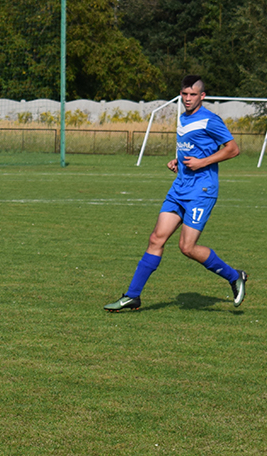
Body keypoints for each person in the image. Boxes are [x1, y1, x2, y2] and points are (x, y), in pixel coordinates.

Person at [104, 75, 247, 312]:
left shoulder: (210, 120)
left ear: (202, 96)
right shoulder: (181, 118)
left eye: (193, 94)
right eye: (184, 94)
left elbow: (233, 149)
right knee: (155, 239)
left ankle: (234, 277)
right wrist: (178, 162)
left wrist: (202, 163)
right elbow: (189, 148)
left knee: (187, 247)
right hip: (180, 187)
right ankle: (132, 296)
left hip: (202, 190)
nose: (187, 99)